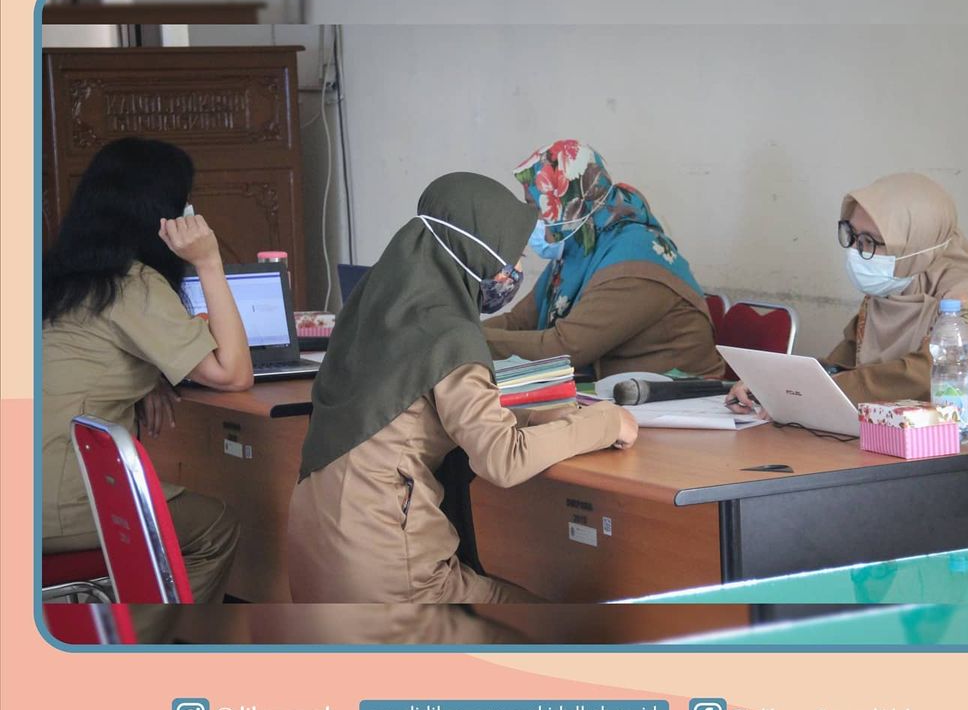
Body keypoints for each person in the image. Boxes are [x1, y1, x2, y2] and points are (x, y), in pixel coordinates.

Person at [287, 171, 638, 605]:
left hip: (315, 550)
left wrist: (538, 415)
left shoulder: (376, 310)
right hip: (384, 568)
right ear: (478, 256)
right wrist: (607, 422)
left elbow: (424, 410)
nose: (516, 272)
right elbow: (503, 458)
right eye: (513, 258)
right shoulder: (449, 333)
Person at [730, 172, 968, 525]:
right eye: (852, 235)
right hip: (909, 454)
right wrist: (771, 384)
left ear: (919, 243)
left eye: (872, 241)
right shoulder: (893, 290)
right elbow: (841, 365)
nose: (858, 252)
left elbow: (918, 377)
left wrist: (809, 390)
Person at [43, 138, 252, 602]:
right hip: (57, 507)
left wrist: (148, 377)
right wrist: (208, 261)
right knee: (215, 526)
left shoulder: (57, 279)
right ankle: (155, 639)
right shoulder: (129, 284)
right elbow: (233, 374)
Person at [483, 140, 725, 379]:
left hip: (681, 395)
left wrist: (471, 342)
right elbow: (520, 321)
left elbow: (564, 349)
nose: (528, 220)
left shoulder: (633, 259)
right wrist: (467, 333)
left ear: (567, 205)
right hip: (623, 390)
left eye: (535, 208)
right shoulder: (581, 249)